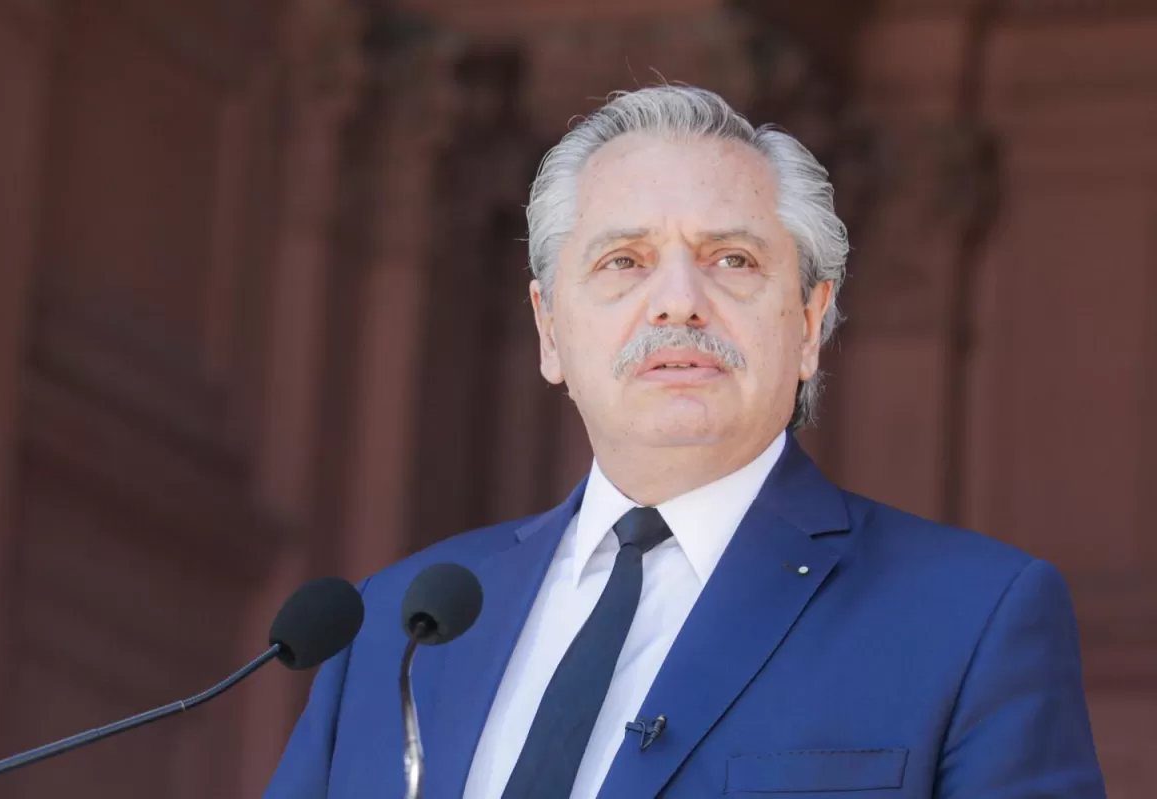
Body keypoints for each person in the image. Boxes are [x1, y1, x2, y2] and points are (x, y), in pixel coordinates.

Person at [263, 85, 1105, 798]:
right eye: (624, 262)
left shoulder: (972, 617)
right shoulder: (387, 625)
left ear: (810, 324)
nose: (677, 302)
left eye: (732, 260)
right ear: (550, 330)